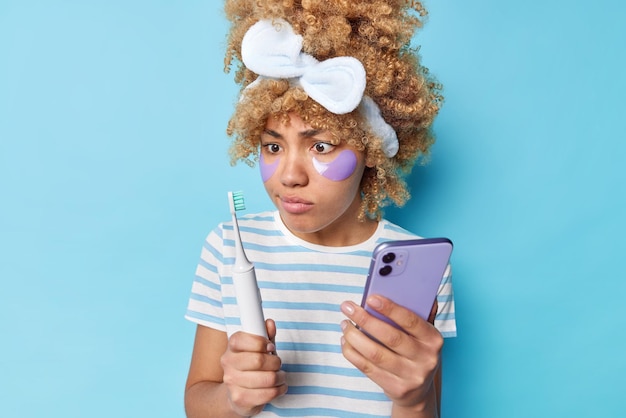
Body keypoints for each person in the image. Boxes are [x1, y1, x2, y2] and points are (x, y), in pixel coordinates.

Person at [184, 1, 456, 417]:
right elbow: (198, 402)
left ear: (370, 150)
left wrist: (413, 399)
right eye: (273, 146)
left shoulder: (419, 266)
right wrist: (233, 397)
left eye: (321, 146)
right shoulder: (230, 245)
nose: (289, 175)